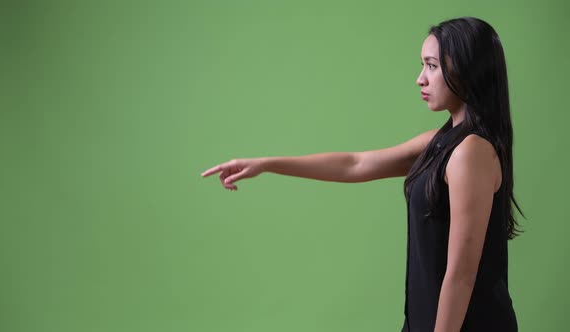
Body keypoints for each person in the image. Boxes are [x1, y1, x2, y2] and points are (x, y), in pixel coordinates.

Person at [201, 16, 523, 332]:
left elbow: (462, 273)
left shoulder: (471, 152)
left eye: (431, 66)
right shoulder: (440, 143)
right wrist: (267, 163)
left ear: (466, 69)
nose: (420, 79)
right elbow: (355, 164)